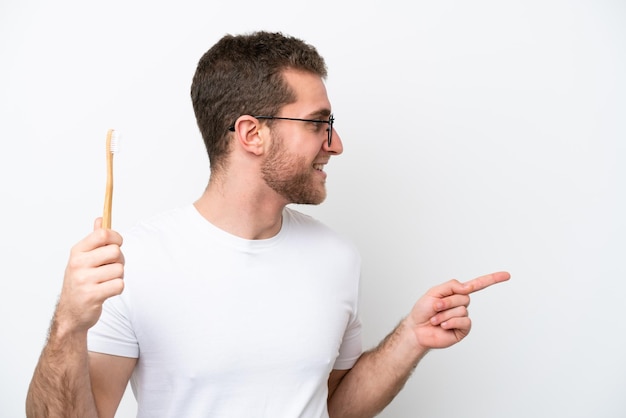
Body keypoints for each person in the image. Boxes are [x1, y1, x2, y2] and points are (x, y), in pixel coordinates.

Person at [26, 31, 510, 418]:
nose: (335, 143)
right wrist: (69, 325)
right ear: (252, 133)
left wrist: (410, 338)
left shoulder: (337, 258)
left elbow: (334, 407)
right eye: (318, 123)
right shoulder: (132, 262)